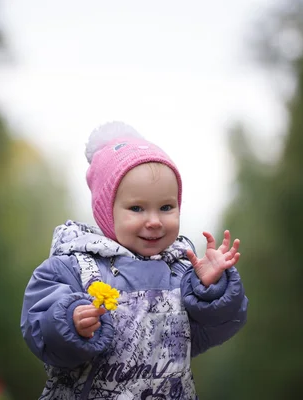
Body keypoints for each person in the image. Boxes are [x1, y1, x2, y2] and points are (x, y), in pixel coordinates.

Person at [21, 121, 248, 400]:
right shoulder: (72, 267)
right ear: (107, 211)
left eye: (166, 207)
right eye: (137, 208)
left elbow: (213, 330)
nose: (153, 221)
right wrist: (70, 321)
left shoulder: (180, 273)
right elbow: (39, 329)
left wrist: (211, 290)